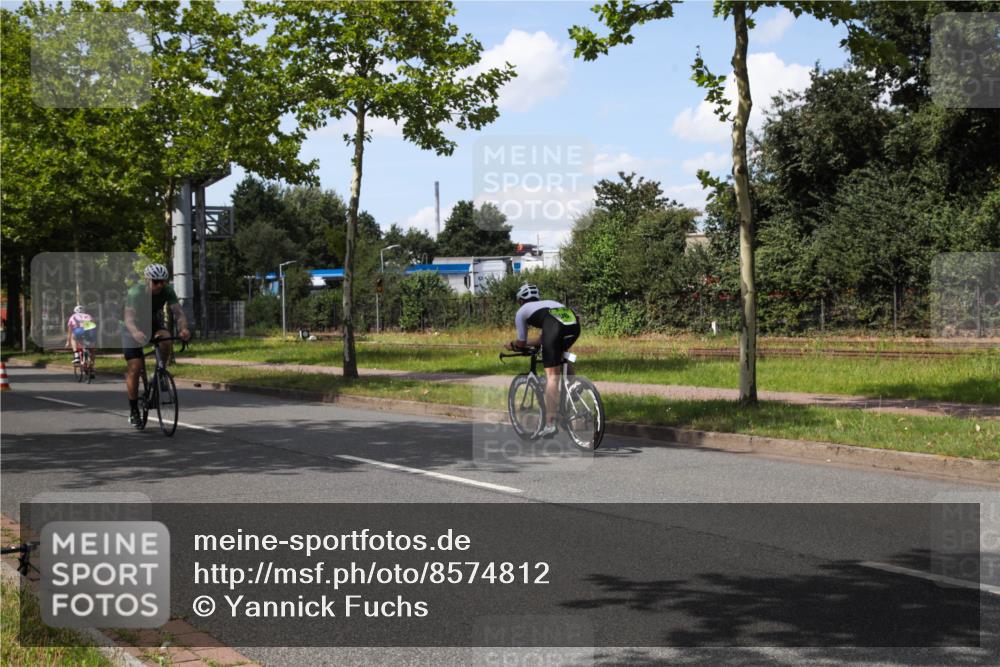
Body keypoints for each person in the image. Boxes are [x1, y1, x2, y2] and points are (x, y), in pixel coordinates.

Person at [504, 283, 580, 438]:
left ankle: (550, 424)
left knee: (552, 376)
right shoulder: (549, 303)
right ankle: (574, 386)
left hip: (554, 327)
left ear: (520, 301)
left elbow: (521, 342)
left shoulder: (522, 311)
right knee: (561, 354)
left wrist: (512, 345)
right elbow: (544, 338)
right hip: (574, 325)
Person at [122, 264, 190, 426]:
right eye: (156, 281)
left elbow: (179, 313)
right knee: (135, 368)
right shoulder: (136, 292)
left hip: (150, 322)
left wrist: (184, 329)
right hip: (130, 327)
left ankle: (160, 373)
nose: (160, 285)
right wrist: (135, 333)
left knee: (166, 339)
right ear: (148, 280)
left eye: (163, 281)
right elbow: (129, 319)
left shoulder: (167, 290)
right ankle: (134, 410)